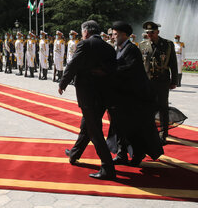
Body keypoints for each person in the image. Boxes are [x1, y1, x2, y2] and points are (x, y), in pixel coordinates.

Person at [59, 20, 117, 180]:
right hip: (103, 96)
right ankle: (75, 153)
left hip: (87, 95)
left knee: (94, 131)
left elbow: (73, 65)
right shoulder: (108, 47)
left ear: (86, 31)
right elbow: (113, 69)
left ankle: (108, 167)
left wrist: (63, 83)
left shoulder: (85, 45)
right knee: (87, 125)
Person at [107, 21, 163, 166]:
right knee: (119, 127)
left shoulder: (131, 49)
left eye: (115, 34)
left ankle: (137, 155)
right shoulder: (119, 48)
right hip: (121, 98)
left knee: (133, 129)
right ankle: (121, 154)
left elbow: (129, 69)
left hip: (133, 98)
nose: (113, 36)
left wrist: (109, 71)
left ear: (124, 35)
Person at [142, 21, 178, 145]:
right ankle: (151, 132)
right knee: (148, 109)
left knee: (163, 108)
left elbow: (173, 63)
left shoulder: (167, 45)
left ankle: (163, 134)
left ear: (158, 32)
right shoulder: (143, 45)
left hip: (162, 82)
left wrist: (174, 81)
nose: (150, 34)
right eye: (147, 32)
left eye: (152, 32)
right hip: (148, 82)